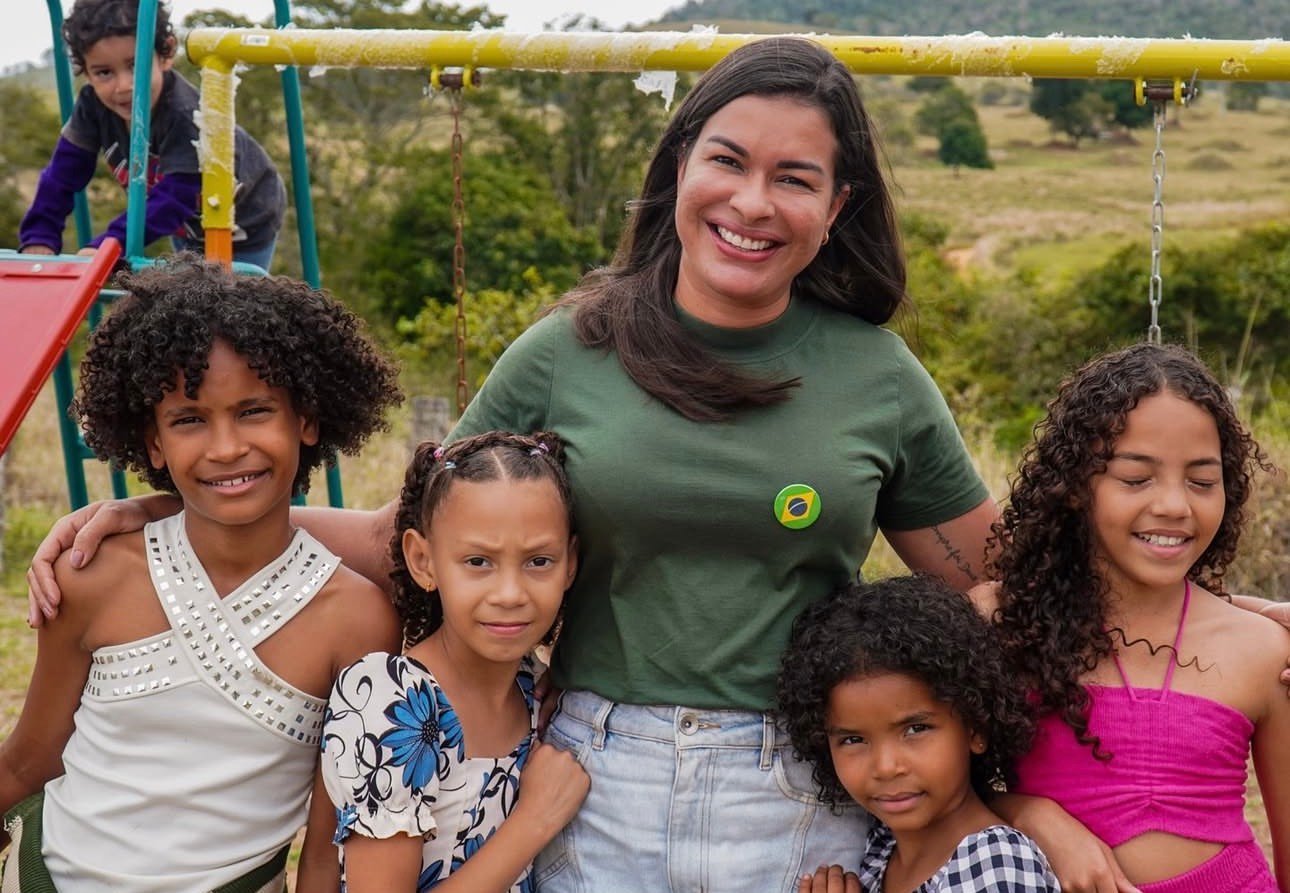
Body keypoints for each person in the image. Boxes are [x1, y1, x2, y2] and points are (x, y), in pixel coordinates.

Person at [23, 37, 1290, 893]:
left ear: (836, 206)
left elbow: (1011, 579)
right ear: (681, 166)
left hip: (795, 785)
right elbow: (430, 533)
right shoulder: (568, 345)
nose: (754, 200)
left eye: (797, 177)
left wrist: (1253, 623)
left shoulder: (874, 377)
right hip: (585, 771)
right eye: (728, 160)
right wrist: (174, 507)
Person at [0, 258, 402, 891]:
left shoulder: (358, 619)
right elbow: (27, 763)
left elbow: (326, 850)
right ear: (152, 442)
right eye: (189, 419)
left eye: (254, 411)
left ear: (308, 419)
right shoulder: (94, 576)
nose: (224, 447)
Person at [988, 343, 1289, 892]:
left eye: (1203, 481)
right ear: (1077, 486)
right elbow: (929, 794)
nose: (1175, 505)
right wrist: (1036, 818)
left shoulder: (1266, 650)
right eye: (1135, 478)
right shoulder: (1001, 625)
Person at [320, 431, 589, 891]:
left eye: (539, 561)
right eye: (479, 562)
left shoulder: (536, 693)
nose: (510, 594)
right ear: (423, 561)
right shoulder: (394, 703)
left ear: (570, 564)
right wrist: (534, 821)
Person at [780, 576, 1059, 893]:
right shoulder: (879, 849)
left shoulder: (995, 862)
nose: (886, 766)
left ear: (975, 726)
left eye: (915, 729)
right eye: (853, 740)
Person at [18, 0, 286, 270]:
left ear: (166, 53)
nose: (124, 86)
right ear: (86, 72)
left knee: (229, 302)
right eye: (104, 72)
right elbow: (62, 176)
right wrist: (40, 235)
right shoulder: (93, 106)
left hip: (245, 221)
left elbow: (175, 198)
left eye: (135, 66)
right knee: (187, 291)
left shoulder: (185, 116)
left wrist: (109, 244)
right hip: (186, 224)